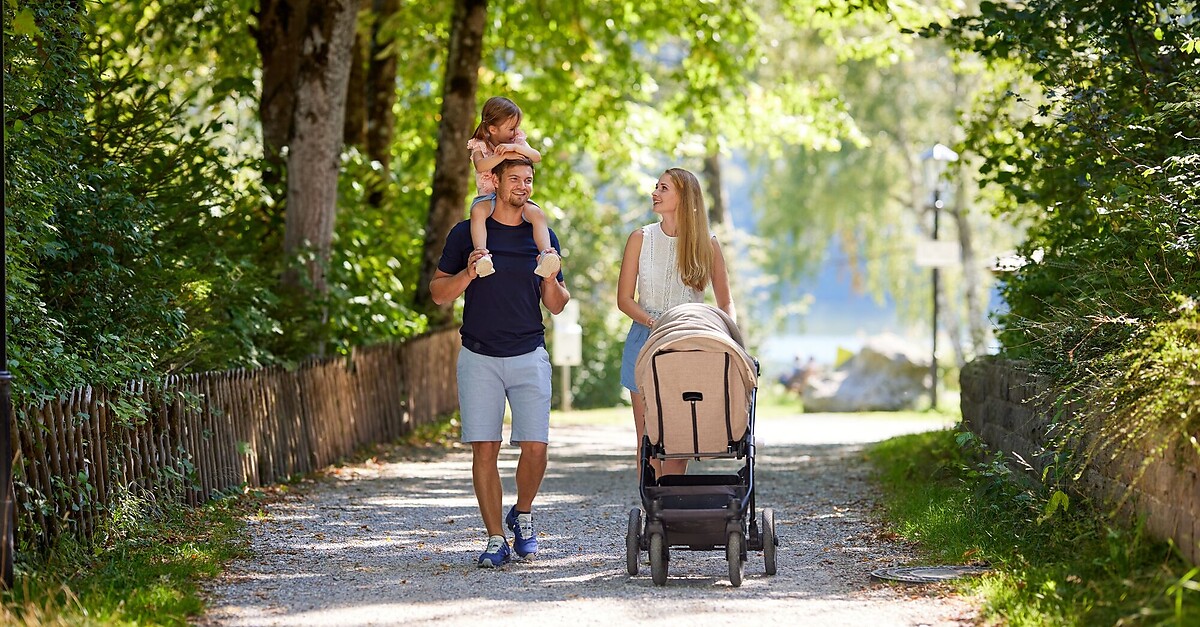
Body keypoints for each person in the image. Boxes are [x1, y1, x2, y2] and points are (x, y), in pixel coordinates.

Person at [430, 156, 570, 569]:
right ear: (496, 182)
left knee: (537, 448)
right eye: (515, 179)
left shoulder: (542, 235)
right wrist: (469, 275)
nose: (523, 187)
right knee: (484, 449)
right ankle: (495, 538)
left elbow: (558, 305)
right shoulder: (466, 233)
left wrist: (550, 276)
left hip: (529, 352)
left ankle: (522, 514)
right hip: (479, 356)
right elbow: (439, 293)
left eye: (528, 180)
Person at [616, 167, 735, 477]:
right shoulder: (640, 238)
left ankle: (670, 508)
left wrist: (727, 336)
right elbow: (624, 299)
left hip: (688, 345)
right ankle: (653, 512)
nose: (655, 192)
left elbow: (725, 302)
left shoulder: (707, 244)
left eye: (664, 188)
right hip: (645, 341)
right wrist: (652, 322)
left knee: (679, 439)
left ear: (685, 198)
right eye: (656, 187)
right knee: (648, 438)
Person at [466, 96, 560, 280]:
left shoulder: (517, 140)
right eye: (511, 128)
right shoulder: (479, 144)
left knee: (537, 214)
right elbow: (481, 166)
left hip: (512, 196)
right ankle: (482, 256)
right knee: (477, 212)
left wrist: (515, 148)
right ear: (493, 129)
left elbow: (536, 156)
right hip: (489, 197)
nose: (515, 131)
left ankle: (546, 255)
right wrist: (503, 155)